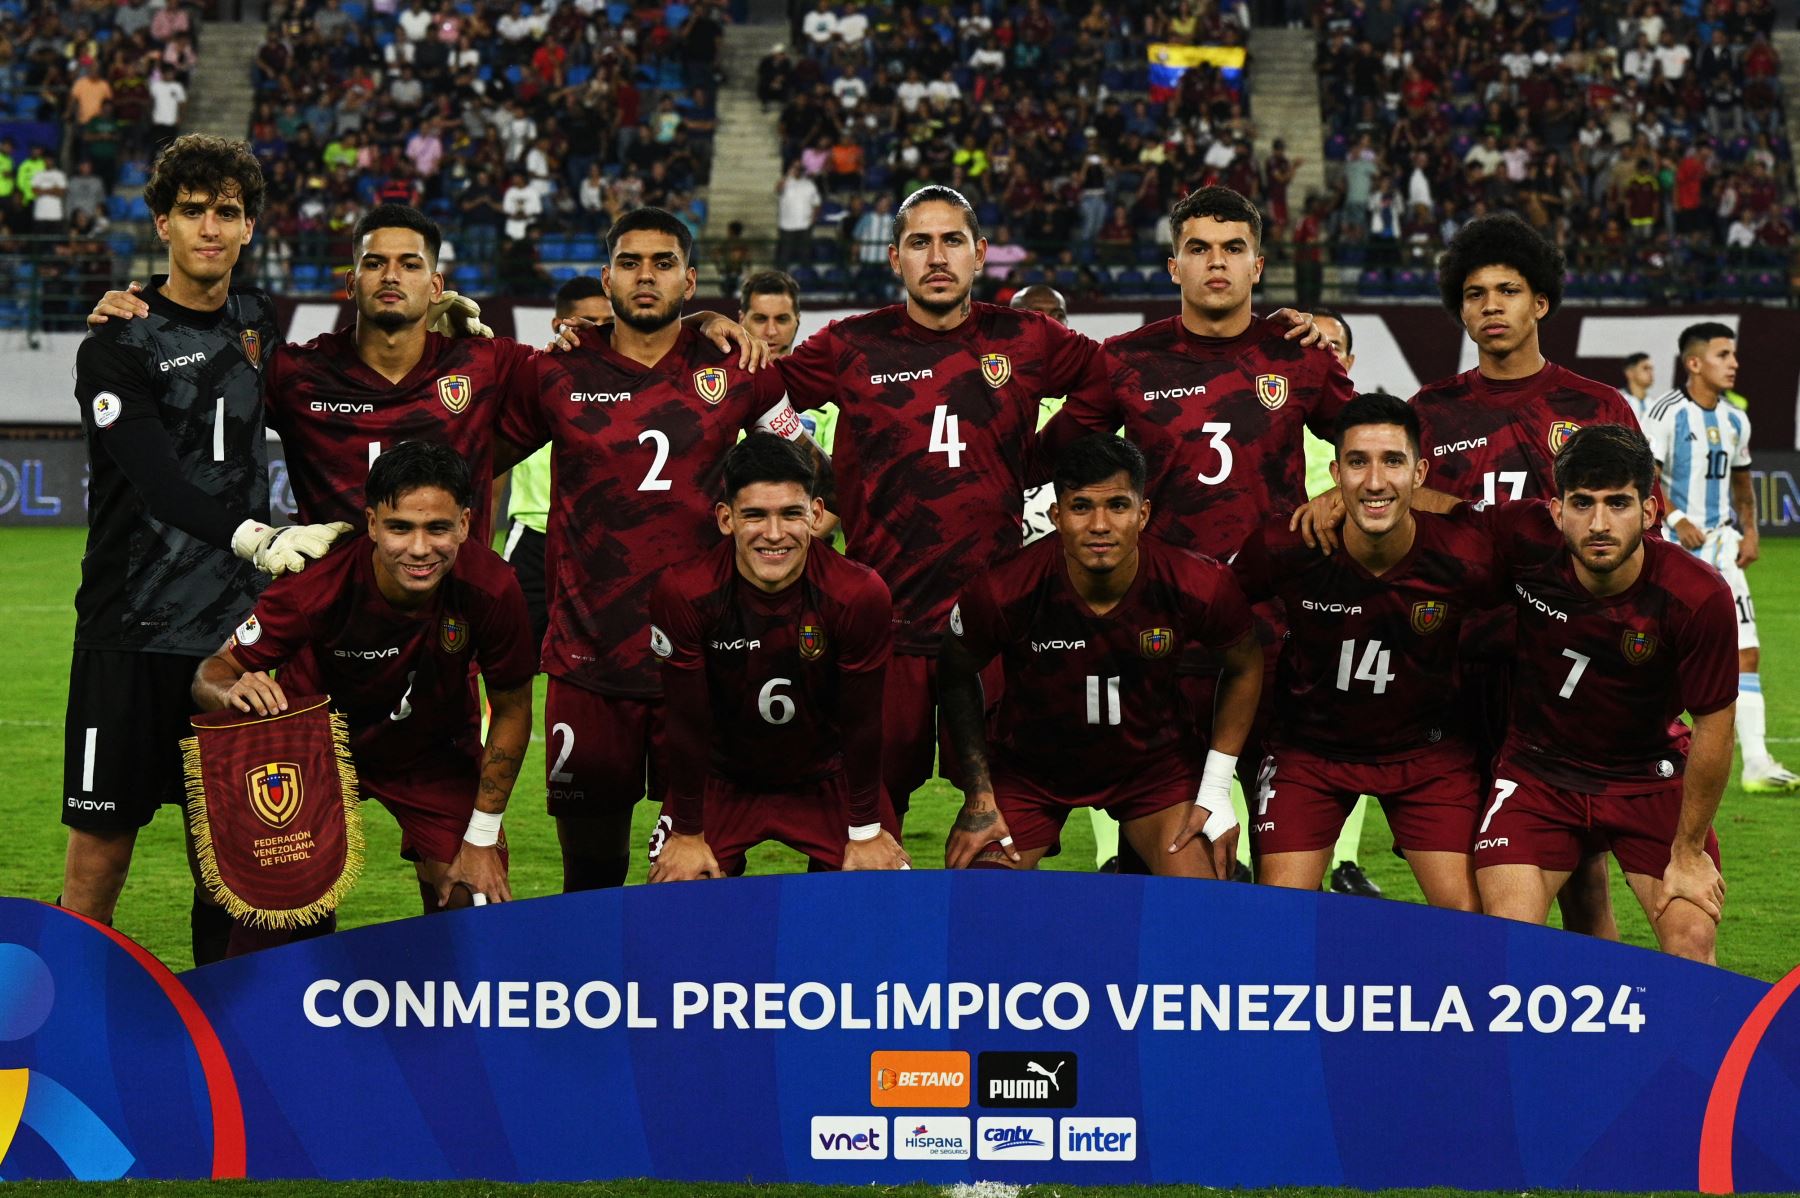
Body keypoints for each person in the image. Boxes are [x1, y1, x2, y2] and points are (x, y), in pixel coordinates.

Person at [1306, 212, 1642, 936]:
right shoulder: (1429, 412)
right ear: (1459, 308)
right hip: (1459, 672)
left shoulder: (1595, 409)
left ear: (1540, 302)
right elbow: (1396, 527)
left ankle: (1593, 1033)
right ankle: (1491, 1023)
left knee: (1584, 876)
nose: (1491, 306)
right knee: (1478, 882)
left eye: (1509, 290)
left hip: (1564, 670)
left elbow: (1634, 532)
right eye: (1475, 293)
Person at [62, 134, 349, 961]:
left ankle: (220, 1049)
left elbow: (339, 393)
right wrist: (260, 538)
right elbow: (152, 480)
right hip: (129, 633)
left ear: (251, 226)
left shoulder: (259, 322)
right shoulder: (115, 343)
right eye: (193, 211)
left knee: (234, 865)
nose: (211, 228)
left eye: (228, 212)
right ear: (162, 224)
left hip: (232, 645)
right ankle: (58, 1054)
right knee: (96, 869)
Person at [772, 185, 1118, 826]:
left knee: (1003, 820)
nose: (937, 257)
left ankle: (993, 925)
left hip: (991, 627)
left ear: (980, 254)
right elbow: (758, 393)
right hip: (884, 624)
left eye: (952, 241)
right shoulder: (853, 344)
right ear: (895, 258)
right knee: (865, 825)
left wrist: (1037, 459)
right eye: (919, 243)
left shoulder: (1025, 338)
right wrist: (818, 479)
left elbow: (1111, 379)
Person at [495, 207, 813, 893]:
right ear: (606, 277)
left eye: (663, 263)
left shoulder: (738, 367)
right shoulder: (555, 371)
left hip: (704, 664)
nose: (647, 276)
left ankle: (703, 996)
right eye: (631, 263)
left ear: (690, 281)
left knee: (706, 871)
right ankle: (599, 997)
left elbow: (808, 469)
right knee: (591, 876)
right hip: (589, 663)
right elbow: (472, 459)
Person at [1039, 185, 1350, 878]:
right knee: (1171, 861)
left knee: (1285, 872)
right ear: (1173, 265)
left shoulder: (1298, 355)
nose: (1217, 263)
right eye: (1199, 248)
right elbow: (1044, 456)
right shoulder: (1124, 360)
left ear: (1258, 265)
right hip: (1161, 644)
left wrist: (1337, 498)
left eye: (1233, 248)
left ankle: (1267, 975)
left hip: (1278, 640)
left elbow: (1378, 447)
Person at [192, 441, 536, 926]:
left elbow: (514, 708)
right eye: (400, 528)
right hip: (314, 753)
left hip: (431, 751)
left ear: (464, 524)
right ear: (372, 524)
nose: (419, 549)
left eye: (437, 528)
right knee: (279, 908)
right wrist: (231, 690)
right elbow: (213, 670)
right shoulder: (316, 586)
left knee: (472, 902)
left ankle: (439, 1000)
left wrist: (481, 837)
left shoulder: (493, 587)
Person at [1472, 425, 1735, 965]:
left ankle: (1686, 1053)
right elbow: (1432, 520)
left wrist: (1687, 852)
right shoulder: (1522, 541)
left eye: (1617, 503)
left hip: (1649, 778)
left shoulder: (1697, 595)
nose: (1598, 524)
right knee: (1507, 943)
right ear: (1554, 510)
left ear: (1649, 510)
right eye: (1582, 503)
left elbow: (1714, 724)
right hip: (1538, 775)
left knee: (1691, 942)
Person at [940, 434, 1260, 876]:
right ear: (1056, 515)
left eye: (1118, 506)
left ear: (1143, 513)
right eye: (1081, 507)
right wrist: (979, 796)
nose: (1100, 525)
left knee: (1199, 908)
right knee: (981, 899)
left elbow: (1245, 665)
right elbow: (954, 670)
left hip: (1156, 773)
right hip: (1033, 775)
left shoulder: (1198, 582)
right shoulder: (1003, 591)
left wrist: (1216, 788)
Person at [1233, 394, 1494, 910]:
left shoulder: (1468, 551)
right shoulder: (1288, 545)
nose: (1374, 482)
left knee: (1472, 923)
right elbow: (1209, 615)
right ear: (1335, 473)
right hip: (1310, 753)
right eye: (1358, 462)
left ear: (1420, 472)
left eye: (1392, 461)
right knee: (1277, 919)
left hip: (1428, 754)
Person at [646, 434, 906, 878]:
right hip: (722, 780)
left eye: (791, 514)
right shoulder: (685, 593)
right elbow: (686, 723)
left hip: (829, 778)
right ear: (726, 519)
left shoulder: (858, 593)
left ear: (817, 515)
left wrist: (864, 828)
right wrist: (688, 832)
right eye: (754, 515)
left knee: (877, 899)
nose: (773, 534)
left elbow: (863, 720)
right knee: (677, 899)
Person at [1643, 323, 1798, 793]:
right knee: (1656, 655)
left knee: (1746, 652)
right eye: (1723, 354)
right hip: (1672, 549)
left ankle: (1756, 762)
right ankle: (1642, 746)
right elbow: (1644, 480)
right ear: (1694, 363)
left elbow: (1743, 485)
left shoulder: (1736, 420)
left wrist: (1750, 532)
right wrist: (1675, 518)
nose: (1734, 363)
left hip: (1723, 549)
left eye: (1734, 354)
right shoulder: (1666, 413)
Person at [1303, 307, 1384, 899]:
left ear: (1350, 363)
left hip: (1354, 598)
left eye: (1333, 347)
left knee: (1355, 727)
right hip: (1282, 597)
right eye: (1312, 345)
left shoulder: (1368, 434)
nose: (1322, 355)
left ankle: (1346, 862)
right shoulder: (1269, 412)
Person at [500, 277, 613, 651]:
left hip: (601, 541)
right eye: (585, 321)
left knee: (600, 660)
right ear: (559, 324)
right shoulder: (536, 376)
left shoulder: (632, 382)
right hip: (534, 537)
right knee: (513, 663)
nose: (595, 331)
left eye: (605, 321)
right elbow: (496, 464)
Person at [1620, 351, 1656, 428]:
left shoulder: (1654, 403)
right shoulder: (1618, 400)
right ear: (1630, 373)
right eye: (1645, 368)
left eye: (1651, 369)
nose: (1651, 373)